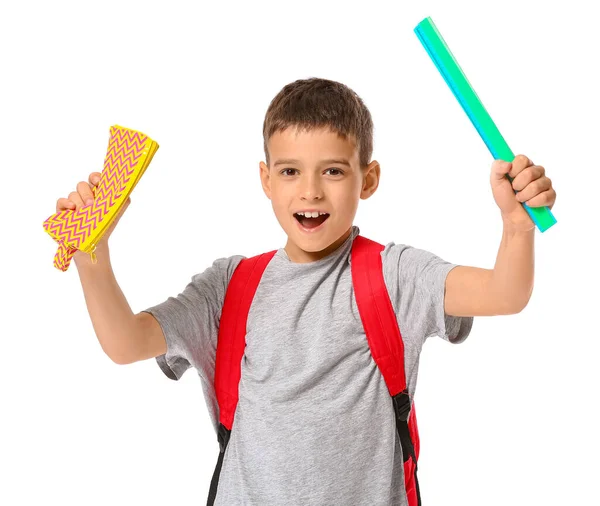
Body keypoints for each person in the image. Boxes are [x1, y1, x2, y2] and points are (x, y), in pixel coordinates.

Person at [59, 77, 556, 505]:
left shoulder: (394, 275)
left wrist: (516, 226)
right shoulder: (228, 287)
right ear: (265, 179)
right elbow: (125, 343)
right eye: (290, 170)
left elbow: (503, 294)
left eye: (334, 170)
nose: (311, 191)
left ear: (369, 178)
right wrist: (91, 257)